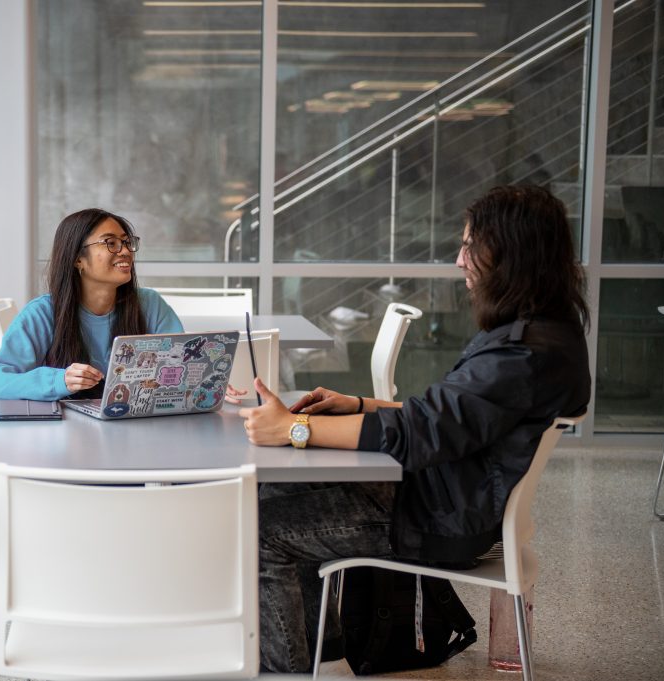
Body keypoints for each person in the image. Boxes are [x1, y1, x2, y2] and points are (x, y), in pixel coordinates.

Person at [238, 185, 592, 673]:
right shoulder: (544, 332)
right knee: (271, 493)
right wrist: (358, 404)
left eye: (470, 246)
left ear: (511, 251)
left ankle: (289, 671)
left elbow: (417, 433)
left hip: (434, 516)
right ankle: (325, 647)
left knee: (258, 530)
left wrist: (293, 430)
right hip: (441, 492)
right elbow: (448, 417)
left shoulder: (523, 354)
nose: (459, 261)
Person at [0, 208, 183, 400]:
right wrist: (59, 380)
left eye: (126, 241)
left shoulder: (150, 304)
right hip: (67, 430)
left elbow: (184, 366)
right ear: (78, 259)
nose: (125, 251)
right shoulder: (42, 313)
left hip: (138, 425)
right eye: (110, 243)